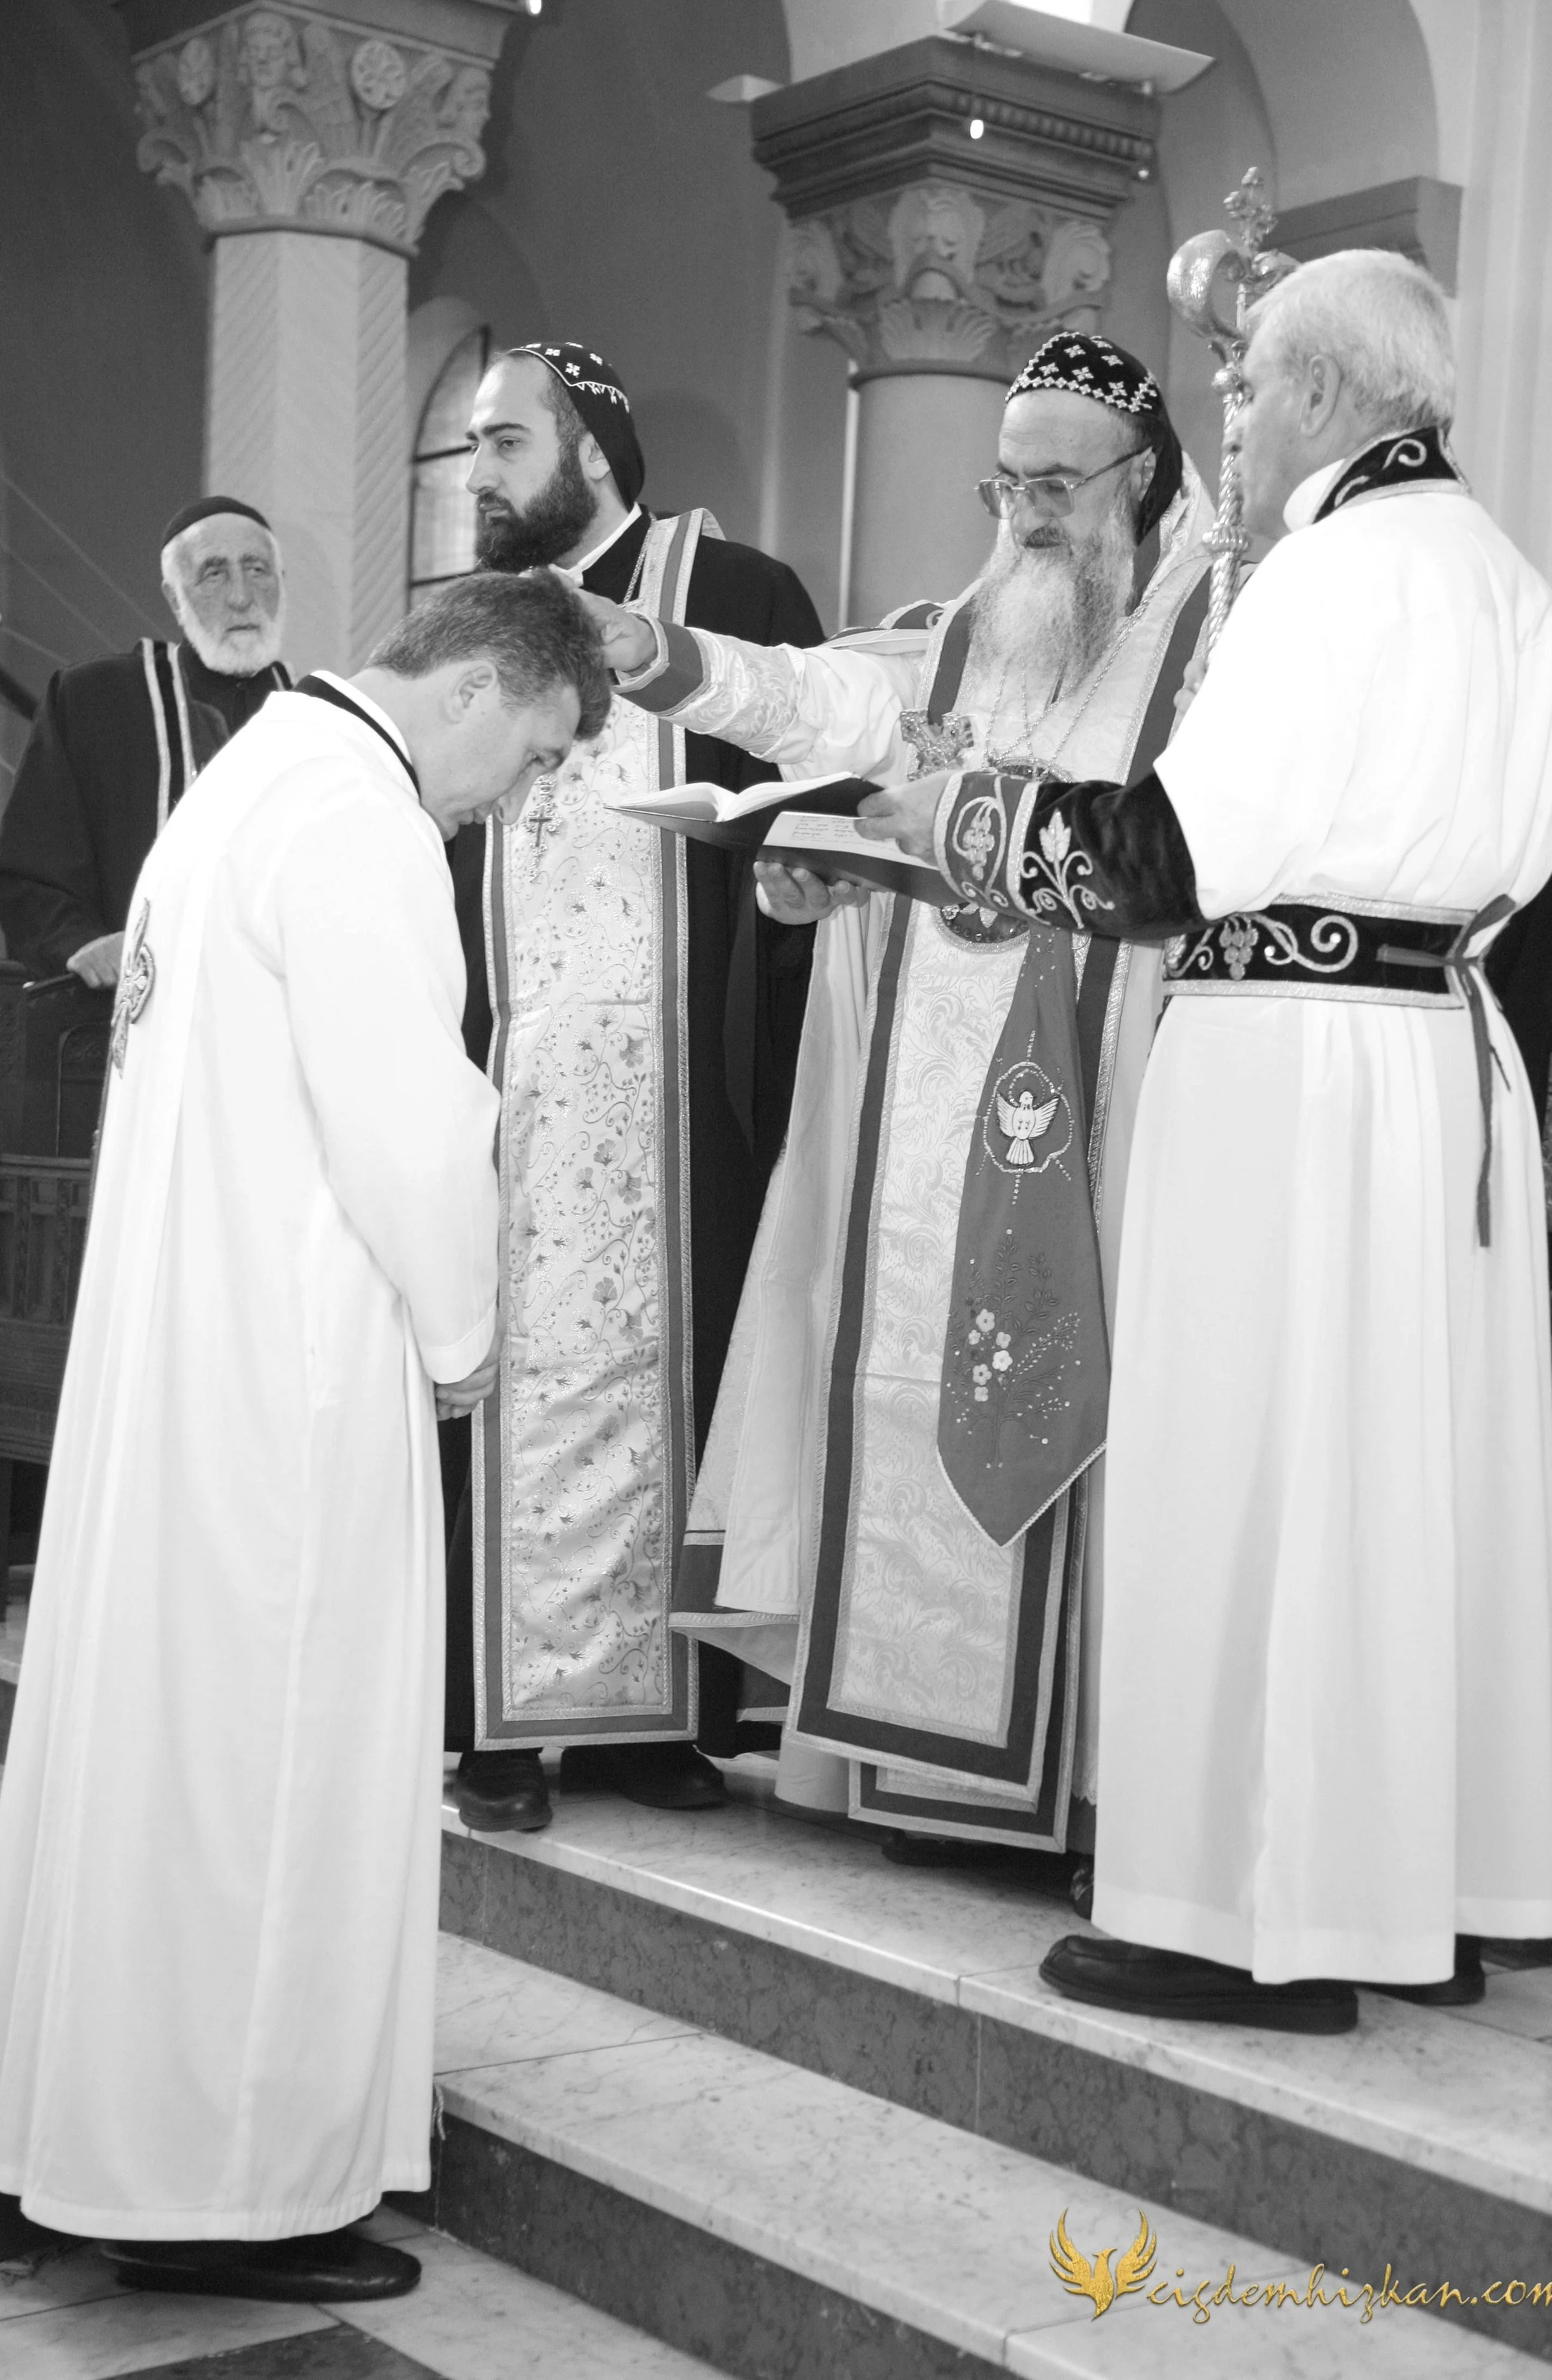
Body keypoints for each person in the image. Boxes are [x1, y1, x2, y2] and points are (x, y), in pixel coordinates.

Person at [863, 251, 1552, 2030]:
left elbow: (1168, 860)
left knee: (1248, 1465)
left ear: (1329, 396)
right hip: (1433, 1058)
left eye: (1250, 387)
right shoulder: (1504, 575)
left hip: (1286, 1058)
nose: (1232, 423)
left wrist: (950, 814)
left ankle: (1232, 1910)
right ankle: (1415, 1883)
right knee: (1400, 1483)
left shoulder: (1327, 576)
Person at [0, 574, 608, 2295]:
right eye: (542, 752)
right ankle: (229, 2186)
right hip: (291, 1365)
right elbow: (412, 1132)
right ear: (486, 684)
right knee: (269, 1769)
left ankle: (78, 2122)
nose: (526, 793)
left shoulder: (244, 778)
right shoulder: (360, 820)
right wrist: (470, 1335)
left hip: (181, 1352)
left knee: (155, 1762)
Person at [585, 334, 1212, 1867]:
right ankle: (922, 1761)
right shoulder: (976, 628)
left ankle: (1077, 1779)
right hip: (926, 1100)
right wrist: (671, 665)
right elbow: (823, 707)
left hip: (1109, 1092)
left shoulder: (1212, 641)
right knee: (899, 1369)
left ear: (1145, 477)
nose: (1027, 516)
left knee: (1097, 1379)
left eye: (1056, 486)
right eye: (1007, 485)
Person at [445, 341, 825, 1832]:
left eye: (503, 442)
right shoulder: (466, 628)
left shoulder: (735, 599)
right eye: (474, 445)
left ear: (594, 448)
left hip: (685, 1082)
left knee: (689, 1362)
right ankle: (496, 1723)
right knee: (506, 1377)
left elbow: (815, 785)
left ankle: (645, 1724)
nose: (477, 474)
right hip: (517, 1069)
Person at [0, 498, 291, 986]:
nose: (241, 596)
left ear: (282, 583)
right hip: (128, 1017)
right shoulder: (94, 701)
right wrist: (81, 944)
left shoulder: (323, 721)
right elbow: (31, 870)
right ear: (175, 598)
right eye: (214, 574)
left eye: (257, 569)